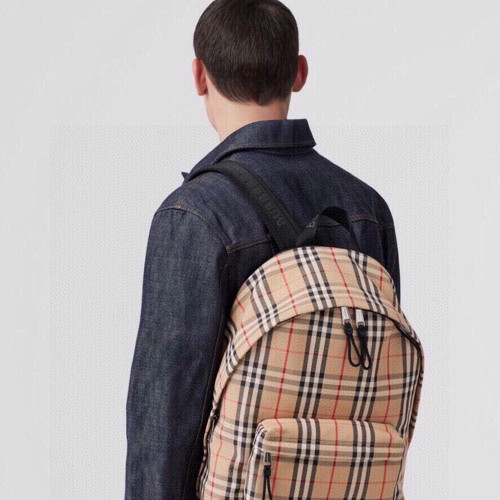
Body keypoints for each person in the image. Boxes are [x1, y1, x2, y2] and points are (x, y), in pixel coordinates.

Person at [125, 0, 400, 498]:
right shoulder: (367, 209)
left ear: (199, 76)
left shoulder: (194, 214)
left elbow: (164, 421)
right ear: (299, 73)